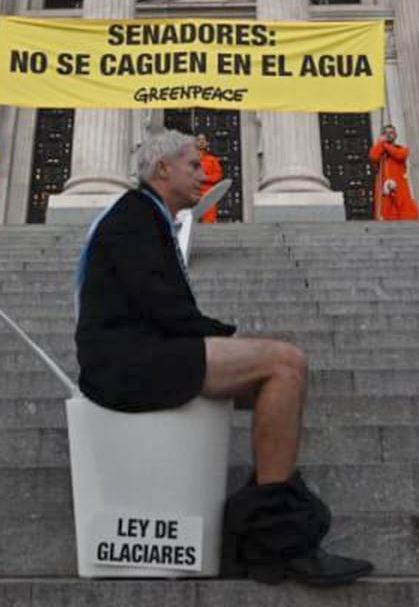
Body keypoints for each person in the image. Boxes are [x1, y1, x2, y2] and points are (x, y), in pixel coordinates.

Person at [74, 130, 373, 586]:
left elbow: (162, 306)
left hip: (137, 353)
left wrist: (228, 342)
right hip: (125, 362)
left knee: (274, 379)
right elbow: (161, 305)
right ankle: (275, 538)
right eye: (193, 165)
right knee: (283, 363)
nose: (204, 174)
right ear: (162, 169)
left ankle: (266, 531)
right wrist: (230, 339)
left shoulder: (146, 216)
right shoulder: (134, 216)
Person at [368, 125, 419, 221]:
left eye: (391, 133)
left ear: (396, 135)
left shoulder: (402, 149)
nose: (388, 135)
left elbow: (400, 155)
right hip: (385, 187)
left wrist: (385, 145)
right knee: (386, 210)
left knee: (404, 207)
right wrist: (380, 143)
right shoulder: (381, 151)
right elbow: (373, 156)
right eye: (385, 133)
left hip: (399, 184)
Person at [194, 132, 225, 223]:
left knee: (209, 219)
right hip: (193, 192)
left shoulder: (212, 159)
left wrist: (205, 178)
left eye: (203, 140)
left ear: (207, 143)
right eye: (199, 140)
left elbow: (218, 175)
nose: (201, 142)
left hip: (208, 192)